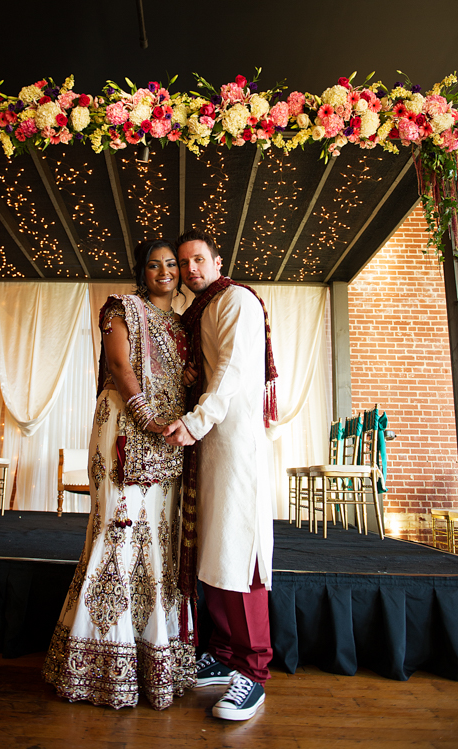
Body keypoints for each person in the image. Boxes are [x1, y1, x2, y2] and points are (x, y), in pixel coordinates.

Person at [43, 238, 196, 710]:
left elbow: (183, 377)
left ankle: (152, 656)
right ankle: (99, 659)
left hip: (167, 440)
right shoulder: (122, 308)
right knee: (118, 530)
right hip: (124, 431)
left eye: (172, 265)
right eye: (155, 265)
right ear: (141, 272)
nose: (165, 271)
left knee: (158, 538)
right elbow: (119, 364)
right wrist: (144, 414)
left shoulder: (180, 325)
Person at [163, 228, 277, 722]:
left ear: (217, 261)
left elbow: (231, 371)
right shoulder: (202, 309)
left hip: (234, 446)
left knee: (241, 554)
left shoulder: (235, 301)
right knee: (215, 551)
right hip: (210, 445)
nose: (189, 269)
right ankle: (225, 655)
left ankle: (253, 672)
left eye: (197, 260)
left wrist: (194, 420)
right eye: (183, 263)